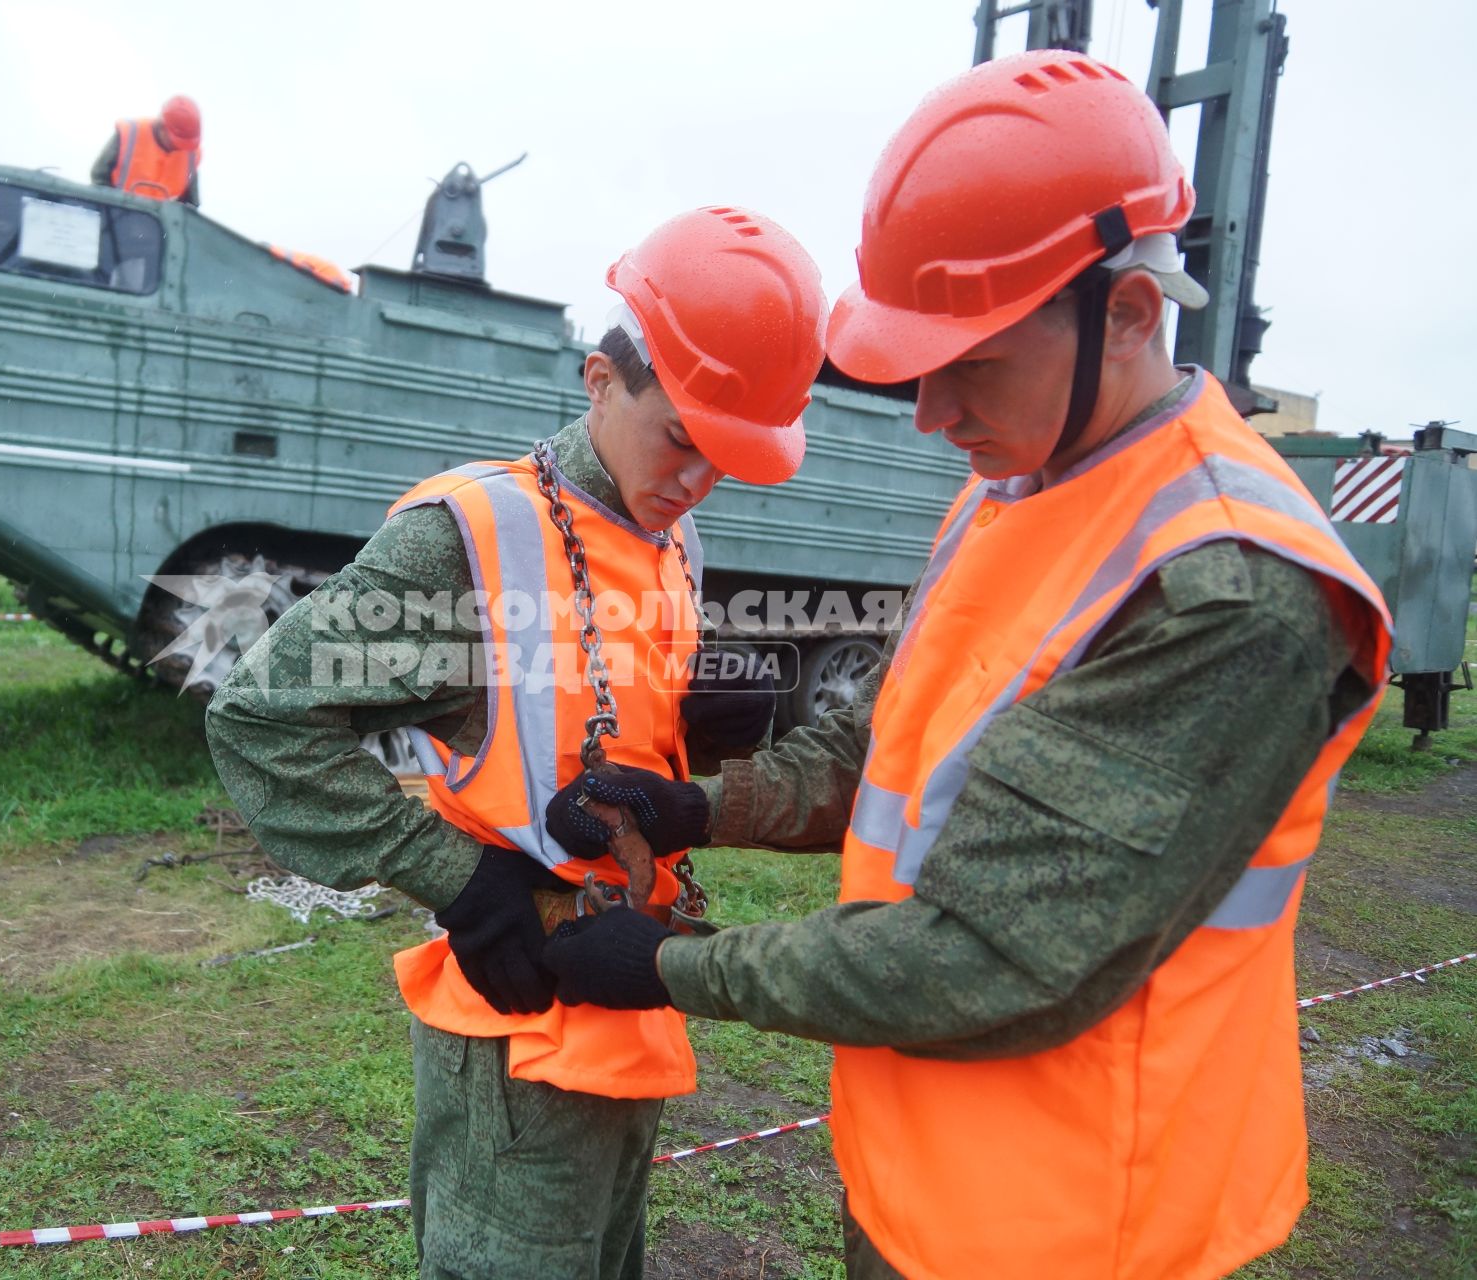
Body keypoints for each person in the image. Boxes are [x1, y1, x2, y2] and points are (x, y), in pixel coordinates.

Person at [537, 50, 1393, 1280]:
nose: (931, 412)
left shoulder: (1230, 587)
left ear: (1133, 312)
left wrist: (672, 964)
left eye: (970, 362)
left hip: (1076, 1217)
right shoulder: (1013, 484)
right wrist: (699, 805)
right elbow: (885, 744)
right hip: (918, 1168)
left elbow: (992, 958)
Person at [205, 206, 829, 1279]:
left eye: (728, 457)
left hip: (632, 999)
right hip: (520, 1028)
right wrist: (458, 876)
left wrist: (690, 765)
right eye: (683, 435)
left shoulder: (671, 534)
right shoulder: (466, 539)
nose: (697, 479)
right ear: (601, 380)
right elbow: (261, 719)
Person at [92, 95, 201, 206]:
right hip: (118, 214)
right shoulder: (130, 133)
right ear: (162, 126)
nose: (179, 147)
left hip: (161, 221)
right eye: (176, 142)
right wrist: (111, 206)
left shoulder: (191, 155)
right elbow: (99, 176)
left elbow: (191, 205)